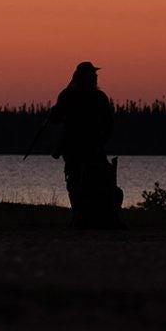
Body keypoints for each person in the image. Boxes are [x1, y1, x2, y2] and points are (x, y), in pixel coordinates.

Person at [51, 60, 116, 227]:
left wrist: (101, 142)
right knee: (74, 180)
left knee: (97, 180)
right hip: (74, 147)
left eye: (95, 74)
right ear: (82, 76)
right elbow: (56, 119)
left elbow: (108, 124)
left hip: (93, 147)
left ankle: (94, 216)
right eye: (92, 74)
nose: (95, 76)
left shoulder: (94, 97)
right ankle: (79, 216)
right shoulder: (68, 96)